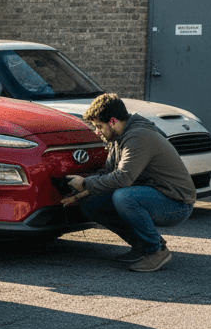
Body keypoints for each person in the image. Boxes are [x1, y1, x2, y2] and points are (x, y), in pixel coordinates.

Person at [62, 92, 197, 272]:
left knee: (124, 197)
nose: (97, 131)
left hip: (177, 203)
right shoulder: (118, 138)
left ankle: (156, 251)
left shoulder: (137, 137)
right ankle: (142, 246)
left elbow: (123, 177)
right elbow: (107, 172)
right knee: (90, 204)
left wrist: (86, 184)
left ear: (112, 121)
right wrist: (82, 193)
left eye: (98, 126)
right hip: (153, 193)